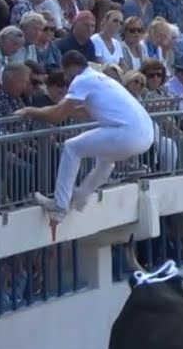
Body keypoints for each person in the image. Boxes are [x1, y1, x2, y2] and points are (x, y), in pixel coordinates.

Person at [21, 51, 156, 227]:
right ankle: (81, 197)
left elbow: (56, 116)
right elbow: (85, 113)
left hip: (127, 133)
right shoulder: (100, 78)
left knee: (71, 147)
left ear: (70, 68)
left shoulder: (81, 80)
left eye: (66, 73)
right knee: (106, 159)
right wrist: (63, 110)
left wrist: (29, 111)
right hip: (147, 134)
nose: (66, 78)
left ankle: (60, 205)